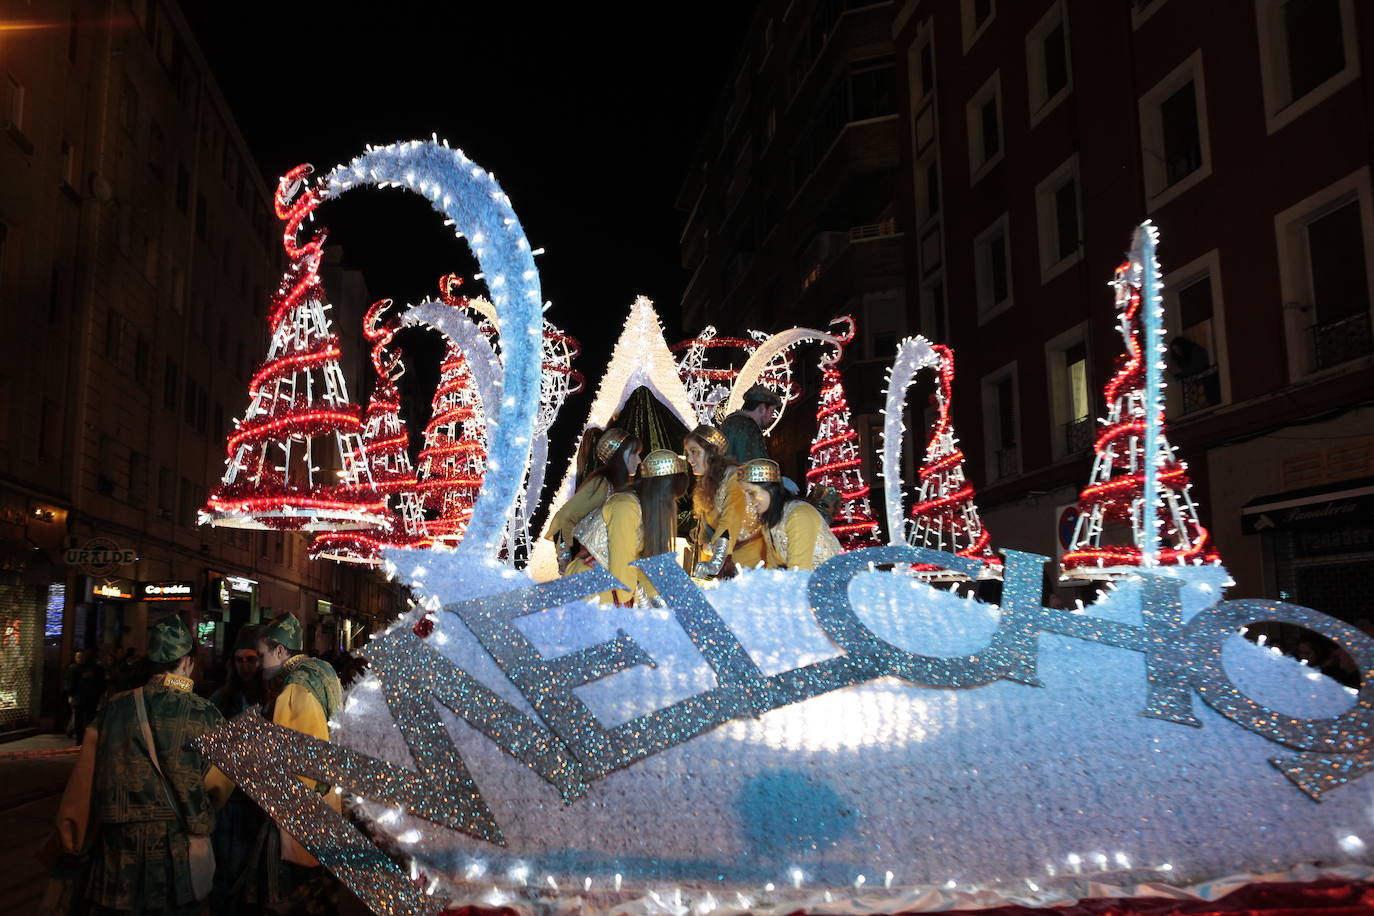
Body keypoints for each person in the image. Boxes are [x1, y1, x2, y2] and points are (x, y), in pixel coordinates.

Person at [56, 615, 232, 915]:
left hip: (115, 859)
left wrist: (72, 842)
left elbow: (83, 784)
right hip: (177, 862)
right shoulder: (206, 714)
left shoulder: (114, 708)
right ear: (188, 662)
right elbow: (219, 787)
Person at [253, 613, 344, 906]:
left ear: (280, 651)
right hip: (331, 802)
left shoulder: (295, 686)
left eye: (261, 655)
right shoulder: (324, 670)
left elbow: (295, 760)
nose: (258, 663)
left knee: (296, 897)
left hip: (304, 814)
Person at [566, 449, 689, 605]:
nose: (669, 502)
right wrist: (636, 608)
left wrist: (659, 599)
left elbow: (643, 562)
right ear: (659, 490)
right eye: (669, 494)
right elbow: (622, 563)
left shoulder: (642, 510)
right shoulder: (625, 505)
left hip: (611, 586)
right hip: (592, 585)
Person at [546, 428, 640, 573]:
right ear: (619, 456)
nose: (638, 460)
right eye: (634, 454)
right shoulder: (601, 484)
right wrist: (566, 563)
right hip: (592, 570)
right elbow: (563, 518)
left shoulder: (621, 489)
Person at [739, 458, 842, 570]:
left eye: (752, 493)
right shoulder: (771, 521)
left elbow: (799, 571)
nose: (748, 502)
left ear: (771, 489)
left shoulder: (799, 515)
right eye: (744, 495)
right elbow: (772, 567)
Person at [683, 424, 748, 578]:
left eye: (694, 452)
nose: (690, 459)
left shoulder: (735, 476)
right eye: (688, 454)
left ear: (711, 453)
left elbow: (731, 518)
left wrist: (716, 560)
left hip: (739, 565)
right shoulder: (705, 483)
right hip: (717, 564)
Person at [719, 383, 781, 464]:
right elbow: (757, 466)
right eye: (772, 411)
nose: (772, 418)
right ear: (762, 409)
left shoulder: (727, 423)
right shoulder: (750, 428)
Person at [63, 649, 106, 745]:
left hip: (79, 698)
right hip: (92, 699)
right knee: (88, 720)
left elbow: (70, 684)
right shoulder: (98, 669)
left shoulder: (75, 668)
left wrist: (71, 693)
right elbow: (102, 685)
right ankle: (87, 740)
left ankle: (79, 739)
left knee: (78, 719)